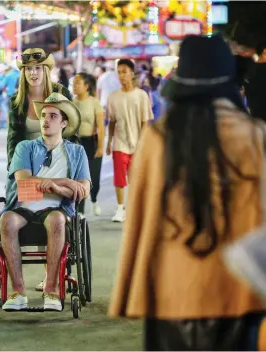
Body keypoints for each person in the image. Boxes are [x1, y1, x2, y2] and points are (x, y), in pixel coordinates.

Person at [109, 35, 265, 350]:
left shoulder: (156, 139)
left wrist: (131, 285)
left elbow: (138, 219)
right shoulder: (254, 136)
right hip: (238, 292)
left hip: (169, 289)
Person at [0, 92, 90, 312]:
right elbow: (23, 180)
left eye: (52, 116)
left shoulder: (76, 152)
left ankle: (51, 289)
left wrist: (56, 189)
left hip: (56, 209)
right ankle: (18, 292)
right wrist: (65, 182)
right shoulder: (25, 147)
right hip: (24, 205)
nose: (45, 120)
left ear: (64, 123)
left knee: (58, 220)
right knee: (6, 220)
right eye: (42, 116)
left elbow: (84, 189)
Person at [7, 48, 72, 292]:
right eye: (28, 69)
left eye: (37, 68)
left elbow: (72, 129)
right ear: (23, 73)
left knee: (54, 212)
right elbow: (13, 140)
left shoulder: (61, 94)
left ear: (46, 70)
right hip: (27, 165)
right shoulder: (17, 100)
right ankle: (24, 284)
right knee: (32, 213)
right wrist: (14, 171)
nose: (33, 73)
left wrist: (71, 170)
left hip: (59, 163)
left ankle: (51, 275)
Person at [106, 59, 153, 222]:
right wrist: (109, 142)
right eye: (119, 72)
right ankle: (120, 209)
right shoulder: (113, 97)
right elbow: (111, 121)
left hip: (137, 144)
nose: (121, 75)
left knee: (136, 179)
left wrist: (144, 144)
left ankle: (135, 208)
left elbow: (145, 122)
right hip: (120, 143)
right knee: (119, 178)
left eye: (124, 71)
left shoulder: (141, 96)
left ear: (132, 74)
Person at [73, 73, 105, 216]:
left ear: (86, 86)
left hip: (91, 142)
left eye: (78, 83)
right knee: (79, 177)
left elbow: (101, 127)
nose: (74, 86)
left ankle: (94, 199)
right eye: (73, 83)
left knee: (94, 177)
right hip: (77, 143)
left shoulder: (94, 102)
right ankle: (80, 211)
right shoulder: (71, 103)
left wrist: (100, 146)